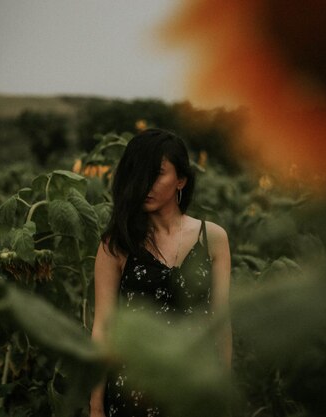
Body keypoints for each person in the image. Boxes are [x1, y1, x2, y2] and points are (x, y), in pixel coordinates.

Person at [89, 128, 232, 417]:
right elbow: (103, 328)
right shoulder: (116, 244)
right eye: (137, 174)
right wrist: (95, 405)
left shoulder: (213, 238)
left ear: (181, 180)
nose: (145, 185)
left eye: (156, 174)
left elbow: (221, 323)